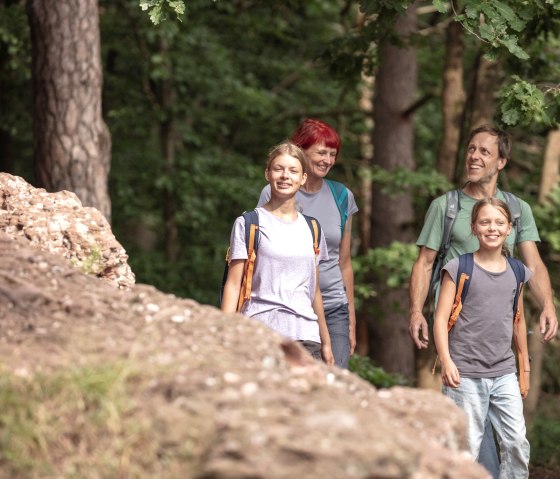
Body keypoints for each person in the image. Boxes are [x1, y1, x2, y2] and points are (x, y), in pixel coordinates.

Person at [408, 125, 558, 478]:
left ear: (501, 161)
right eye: (471, 149)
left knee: (506, 440)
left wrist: (549, 305)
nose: (474, 156)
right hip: (460, 336)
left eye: (485, 152)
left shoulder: (516, 209)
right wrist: (416, 311)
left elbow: (532, 263)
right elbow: (425, 263)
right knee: (471, 438)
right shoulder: (446, 207)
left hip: (498, 339)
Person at [434, 197, 531, 478]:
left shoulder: (517, 271)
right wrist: (446, 361)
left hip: (504, 373)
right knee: (467, 448)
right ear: (474, 228)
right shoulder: (459, 268)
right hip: (465, 373)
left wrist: (523, 367)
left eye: (499, 222)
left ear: (509, 228)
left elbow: (518, 320)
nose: (493, 228)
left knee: (516, 443)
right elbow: (441, 319)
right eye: (485, 222)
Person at [257, 119, 359, 369]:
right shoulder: (275, 190)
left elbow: (344, 263)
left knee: (335, 384)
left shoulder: (342, 196)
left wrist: (351, 320)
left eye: (333, 154)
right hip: (290, 307)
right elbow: (261, 255)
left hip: (334, 307)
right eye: (321, 152)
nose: (328, 160)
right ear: (301, 151)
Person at [222, 141, 334, 365]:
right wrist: (224, 338)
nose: (285, 176)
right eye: (278, 169)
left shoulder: (313, 228)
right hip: (261, 334)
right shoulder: (248, 223)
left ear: (303, 178)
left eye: (293, 171)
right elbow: (233, 285)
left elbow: (314, 291)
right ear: (267, 174)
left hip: (307, 337)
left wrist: (326, 342)